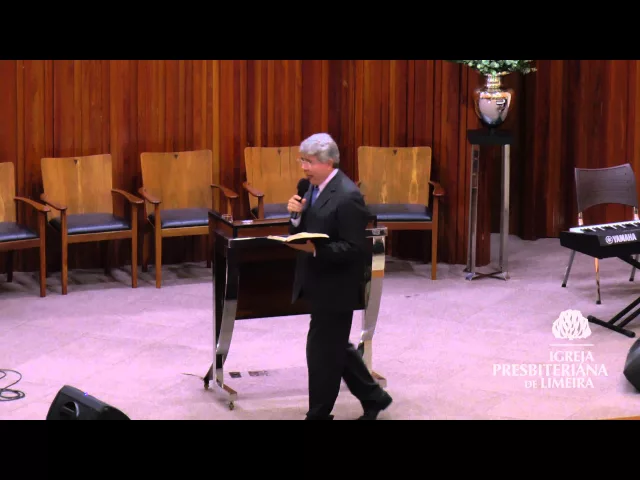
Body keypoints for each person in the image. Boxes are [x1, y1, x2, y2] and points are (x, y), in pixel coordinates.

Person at [285, 132, 393, 420]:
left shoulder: (348, 196)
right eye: (302, 160)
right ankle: (374, 397)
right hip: (317, 279)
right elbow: (303, 229)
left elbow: (355, 248)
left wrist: (317, 249)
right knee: (334, 346)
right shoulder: (310, 188)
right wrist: (296, 216)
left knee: (321, 351)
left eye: (309, 162)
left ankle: (318, 414)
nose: (304, 167)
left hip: (338, 285)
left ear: (328, 162)